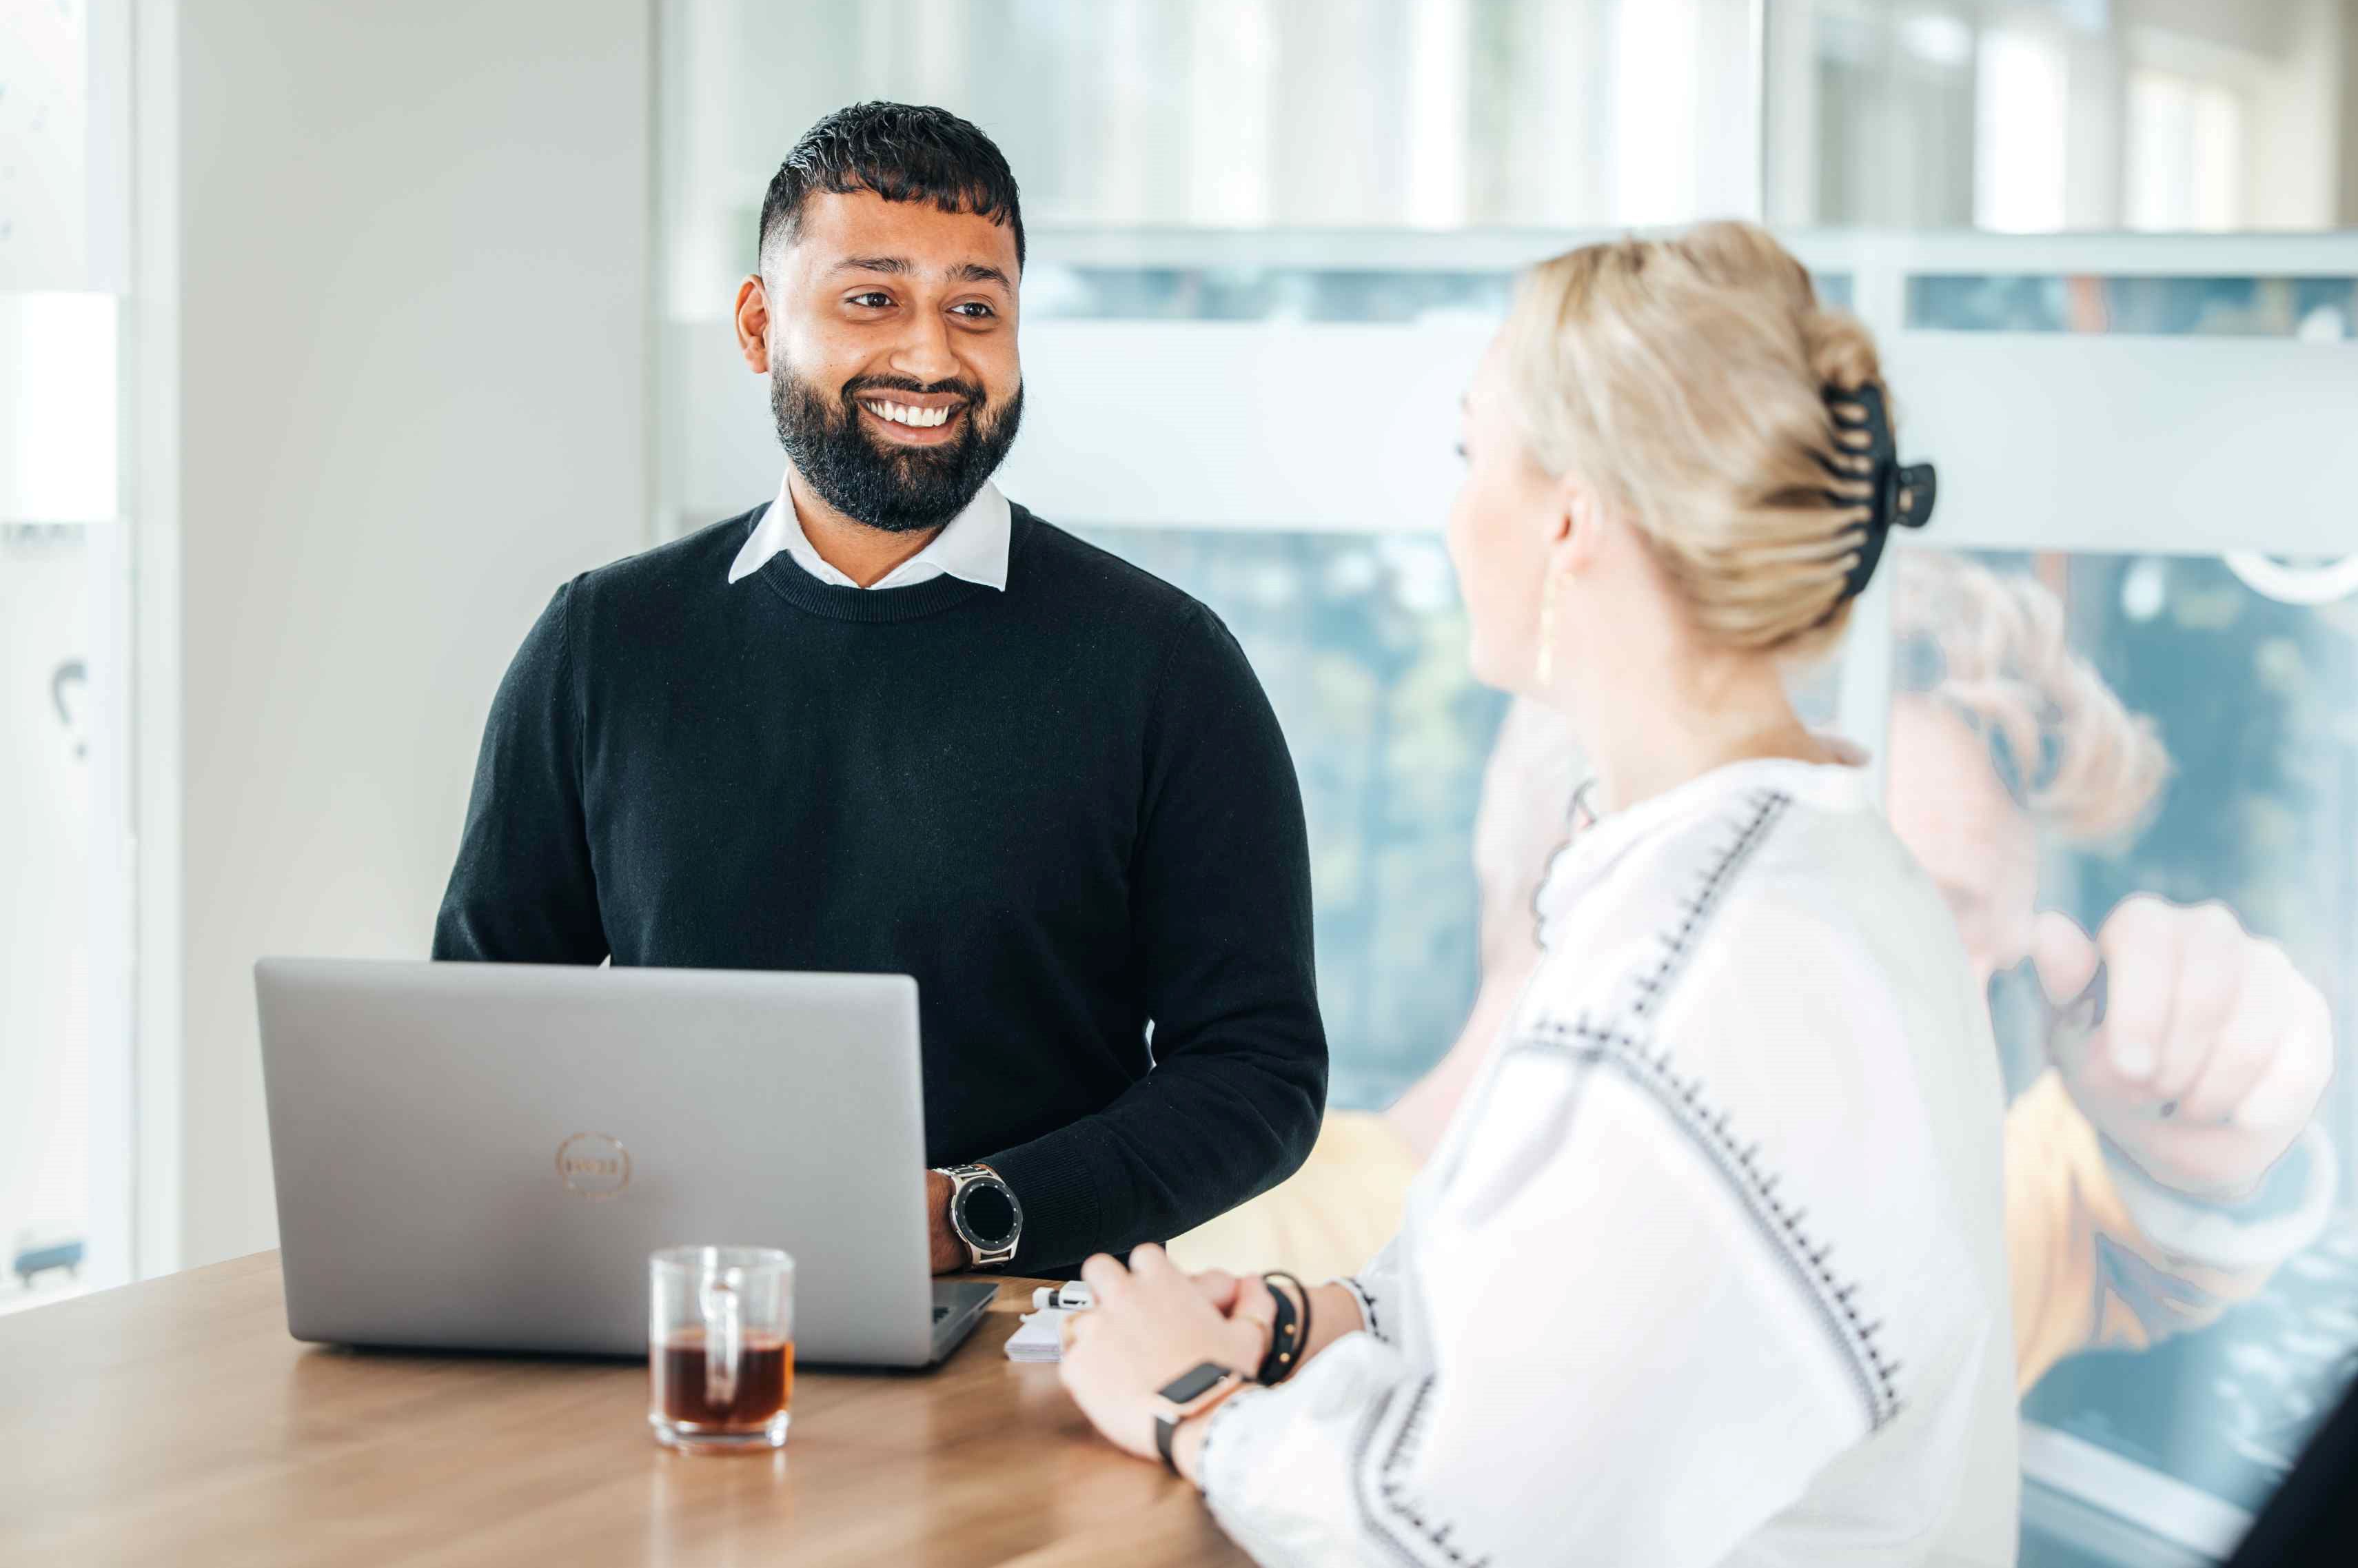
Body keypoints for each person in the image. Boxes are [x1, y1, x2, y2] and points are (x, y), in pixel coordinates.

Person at [1059, 223, 2020, 1565]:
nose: (1455, 515)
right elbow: (1580, 1326)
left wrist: (1186, 1399)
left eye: (1472, 456)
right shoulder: (1828, 875)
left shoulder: (1689, 969)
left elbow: (1435, 1529)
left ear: (1570, 513)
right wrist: (1306, 1320)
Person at [432, 101, 1326, 1276]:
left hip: (1027, 1347)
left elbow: (1257, 1069)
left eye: (975, 308)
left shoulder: (1165, 662)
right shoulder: (601, 643)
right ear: (759, 325)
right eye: (872, 299)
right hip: (675, 1322)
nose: (929, 357)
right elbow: (480, 1034)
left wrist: (973, 1214)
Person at [1169, 553, 2337, 1396]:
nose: (1964, 1037)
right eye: (1909, 932)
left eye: (1980, 971)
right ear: (1617, 855)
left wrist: (2217, 1084)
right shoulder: (1189, 1263)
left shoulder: (1883, 1240)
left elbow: (2158, 1216)